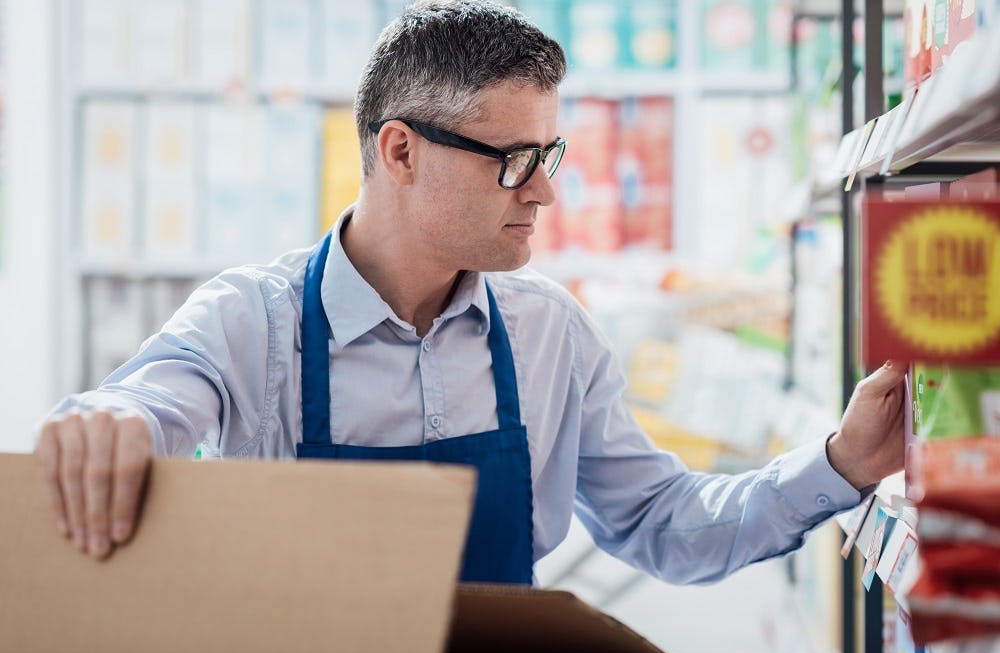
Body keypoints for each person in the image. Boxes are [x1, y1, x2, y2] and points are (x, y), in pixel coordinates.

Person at [35, 0, 905, 585]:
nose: (544, 192)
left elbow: (662, 520)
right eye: (514, 162)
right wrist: (107, 429)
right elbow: (145, 402)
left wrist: (843, 466)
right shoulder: (249, 323)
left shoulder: (551, 335)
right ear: (401, 152)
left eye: (549, 155)